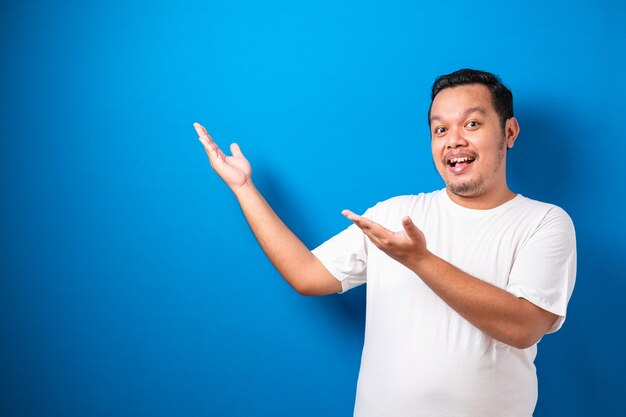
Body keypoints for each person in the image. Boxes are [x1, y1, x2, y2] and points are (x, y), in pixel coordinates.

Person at [194, 68, 576, 417]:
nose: (454, 141)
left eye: (472, 124)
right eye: (440, 129)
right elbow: (307, 275)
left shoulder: (543, 222)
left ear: (509, 132)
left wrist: (420, 261)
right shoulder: (394, 214)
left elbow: (525, 326)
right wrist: (243, 188)